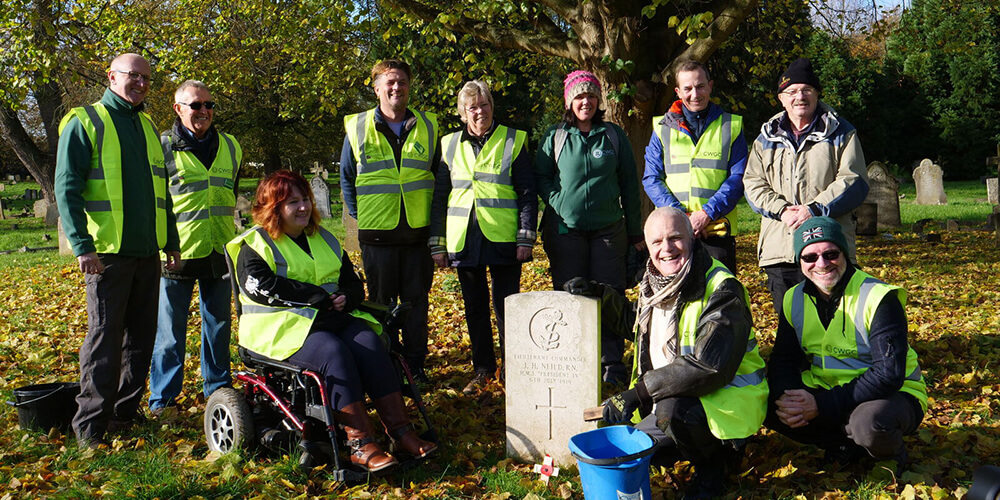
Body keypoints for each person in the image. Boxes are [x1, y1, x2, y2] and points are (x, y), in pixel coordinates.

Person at [227, 170, 437, 472]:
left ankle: (401, 432)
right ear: (273, 208)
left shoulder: (323, 238)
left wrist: (345, 298)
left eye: (305, 200)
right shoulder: (255, 245)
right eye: (292, 202)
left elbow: (352, 283)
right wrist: (315, 297)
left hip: (328, 318)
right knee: (332, 352)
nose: (303, 208)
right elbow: (260, 288)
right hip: (278, 331)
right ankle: (359, 444)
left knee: (368, 340)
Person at [571, 206, 766, 499]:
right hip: (676, 397)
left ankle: (715, 467)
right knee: (641, 454)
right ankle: (692, 445)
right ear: (647, 247)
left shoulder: (722, 289)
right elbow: (636, 325)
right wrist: (599, 294)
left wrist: (637, 394)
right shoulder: (655, 283)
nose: (667, 248)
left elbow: (708, 367)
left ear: (692, 238)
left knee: (671, 412)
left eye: (675, 238)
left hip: (726, 402)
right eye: (657, 242)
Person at [55, 53, 181, 448]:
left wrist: (171, 241)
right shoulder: (84, 121)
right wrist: (81, 245)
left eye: (147, 78)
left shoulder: (145, 124)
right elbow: (66, 188)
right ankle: (90, 429)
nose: (142, 83)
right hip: (106, 255)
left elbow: (162, 193)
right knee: (105, 339)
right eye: (134, 76)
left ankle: (124, 416)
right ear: (112, 77)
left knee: (142, 338)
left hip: (147, 253)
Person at [766, 217, 926, 469]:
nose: (821, 264)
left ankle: (891, 461)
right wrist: (787, 398)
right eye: (810, 257)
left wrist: (819, 405)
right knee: (764, 401)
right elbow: (783, 359)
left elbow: (888, 374)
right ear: (799, 261)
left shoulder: (878, 296)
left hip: (890, 395)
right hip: (828, 391)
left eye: (830, 254)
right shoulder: (792, 298)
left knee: (868, 422)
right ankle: (842, 445)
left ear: (845, 253)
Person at [534, 69, 643, 385]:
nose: (586, 102)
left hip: (610, 231)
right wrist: (557, 200)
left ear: (599, 100)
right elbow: (540, 176)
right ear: (569, 101)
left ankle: (613, 365)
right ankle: (573, 360)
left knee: (609, 296)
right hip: (566, 232)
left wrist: (635, 232)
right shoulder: (555, 137)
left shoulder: (613, 135)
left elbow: (628, 184)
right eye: (579, 96)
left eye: (591, 96)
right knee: (571, 297)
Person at [429, 81, 536, 395]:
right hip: (463, 239)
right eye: (472, 107)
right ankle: (483, 369)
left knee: (508, 309)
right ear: (463, 113)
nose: (480, 111)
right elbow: (440, 198)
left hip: (503, 238)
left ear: (492, 106)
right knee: (474, 308)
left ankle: (513, 369)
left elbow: (528, 193)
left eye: (484, 104)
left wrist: (525, 238)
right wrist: (438, 243)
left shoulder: (513, 140)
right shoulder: (448, 144)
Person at [743, 57, 869, 313]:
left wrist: (813, 209)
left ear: (817, 94)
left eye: (806, 90)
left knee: (837, 321)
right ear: (781, 98)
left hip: (829, 250)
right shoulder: (765, 137)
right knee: (790, 325)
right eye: (791, 91)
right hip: (781, 250)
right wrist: (782, 210)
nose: (799, 96)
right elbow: (753, 183)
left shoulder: (842, 132)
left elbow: (854, 179)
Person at [341, 59, 439, 384]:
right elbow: (346, 177)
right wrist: (362, 215)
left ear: (409, 86)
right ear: (377, 88)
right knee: (381, 305)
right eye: (390, 82)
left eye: (402, 82)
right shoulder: (357, 127)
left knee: (416, 305)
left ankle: (415, 366)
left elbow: (438, 177)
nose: (396, 88)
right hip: (377, 236)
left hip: (417, 234)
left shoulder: (428, 126)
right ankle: (387, 364)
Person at [148, 80, 241, 415]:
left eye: (209, 105)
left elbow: (230, 192)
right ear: (178, 109)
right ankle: (163, 400)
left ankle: (218, 393)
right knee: (170, 335)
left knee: (218, 328)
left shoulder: (231, 146)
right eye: (195, 105)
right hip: (176, 255)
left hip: (219, 252)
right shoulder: (160, 147)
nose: (203, 111)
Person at [643, 60, 748, 274]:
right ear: (677, 91)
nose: (695, 94)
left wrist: (706, 214)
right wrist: (682, 218)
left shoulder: (731, 125)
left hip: (716, 231)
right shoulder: (661, 128)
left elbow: (739, 178)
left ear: (710, 85)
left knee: (720, 298)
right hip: (672, 235)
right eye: (688, 88)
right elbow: (651, 178)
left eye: (700, 86)